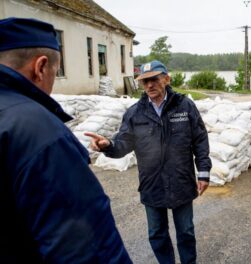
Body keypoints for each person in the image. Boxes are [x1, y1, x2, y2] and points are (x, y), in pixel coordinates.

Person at [0, 17, 131, 263]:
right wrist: (111, 146)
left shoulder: (184, 107)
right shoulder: (37, 131)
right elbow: (86, 245)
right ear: (41, 67)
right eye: (55, 71)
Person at [85, 60, 211, 264]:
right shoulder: (135, 113)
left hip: (181, 181)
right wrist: (107, 144)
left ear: (166, 79)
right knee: (157, 234)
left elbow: (200, 139)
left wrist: (203, 171)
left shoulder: (185, 106)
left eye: (154, 79)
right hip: (152, 184)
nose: (149, 85)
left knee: (186, 232)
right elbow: (122, 144)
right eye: (144, 82)